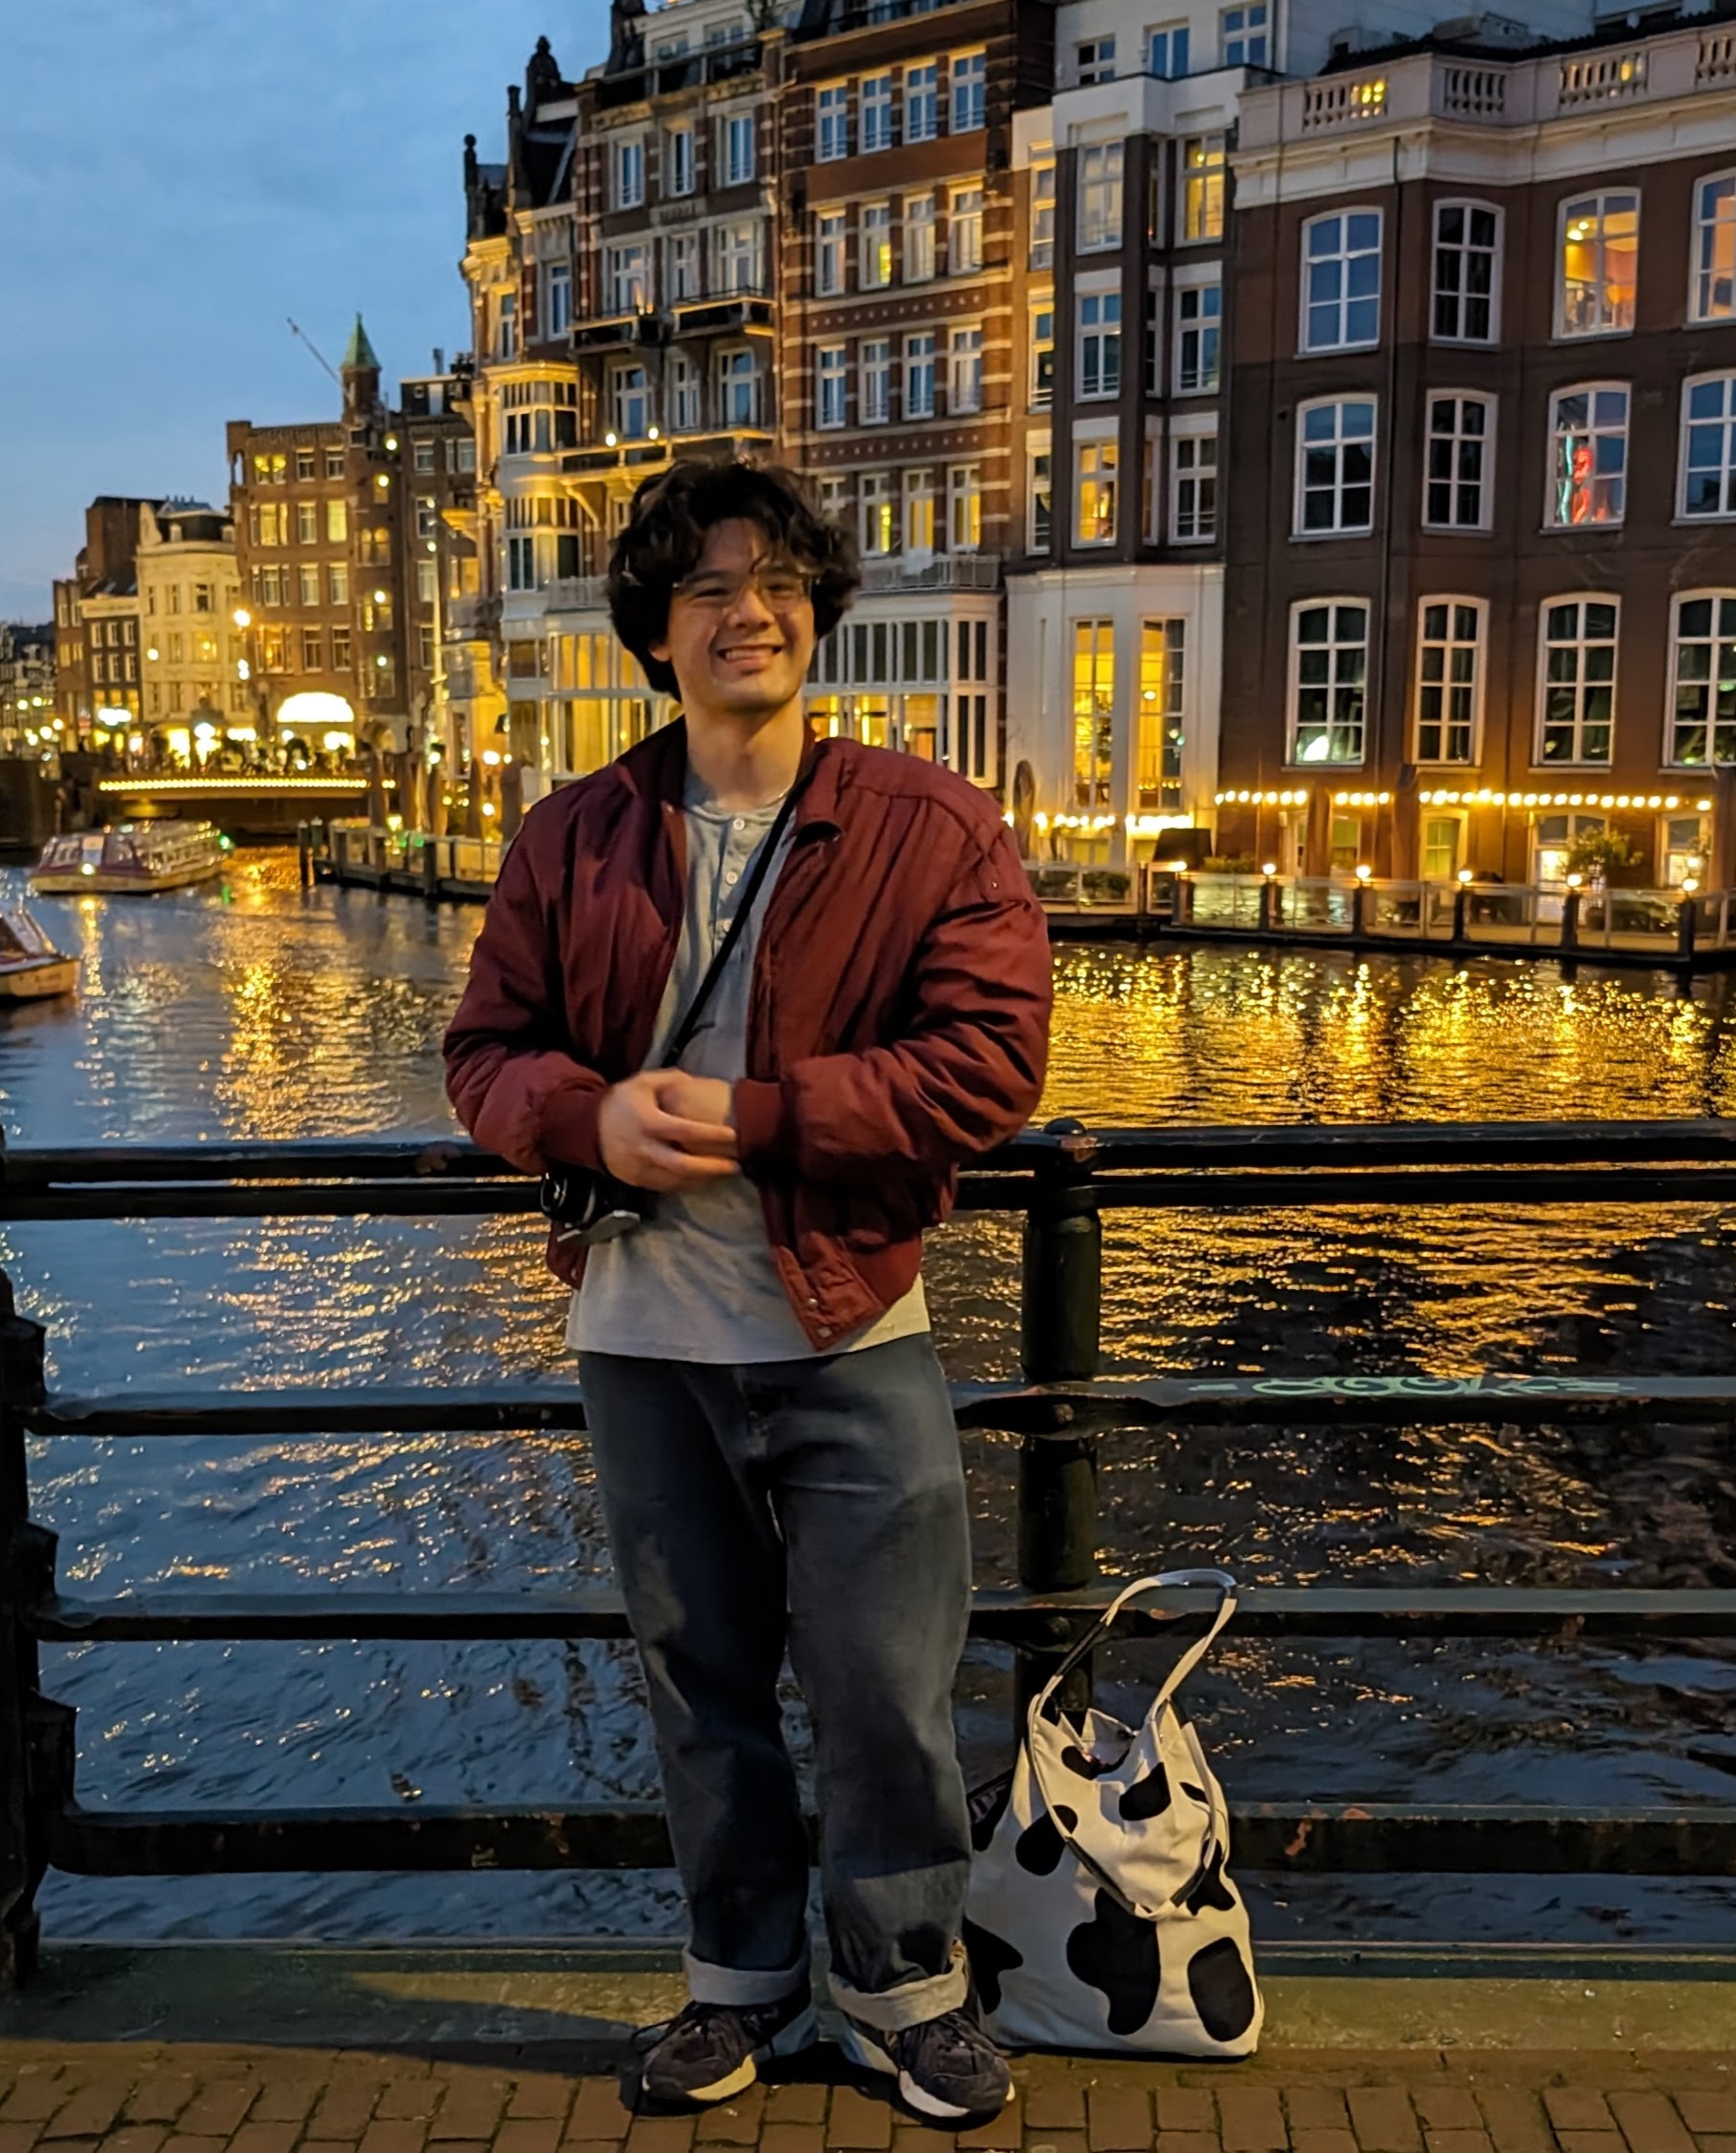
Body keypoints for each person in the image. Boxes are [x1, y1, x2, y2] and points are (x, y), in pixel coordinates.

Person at [443, 462, 1052, 2122]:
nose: (748, 610)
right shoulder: (571, 834)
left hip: (850, 1319)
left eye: (777, 579)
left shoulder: (929, 823)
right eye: (708, 588)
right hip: (642, 1339)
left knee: (883, 1686)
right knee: (697, 1686)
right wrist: (586, 1117)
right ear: (654, 630)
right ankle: (738, 1984)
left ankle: (908, 1986)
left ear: (818, 613)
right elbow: (482, 1052)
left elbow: (992, 1064)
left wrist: (769, 1120)